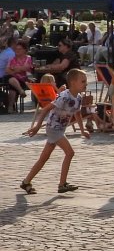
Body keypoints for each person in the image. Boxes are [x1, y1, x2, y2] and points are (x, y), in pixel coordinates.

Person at [19, 68, 91, 196]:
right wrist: (37, 127)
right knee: (70, 153)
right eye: (83, 81)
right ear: (73, 83)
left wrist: (82, 130)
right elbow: (45, 109)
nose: (86, 84)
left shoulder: (78, 98)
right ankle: (62, 184)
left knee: (43, 158)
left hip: (60, 129)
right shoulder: (64, 96)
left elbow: (77, 113)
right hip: (53, 128)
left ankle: (26, 182)